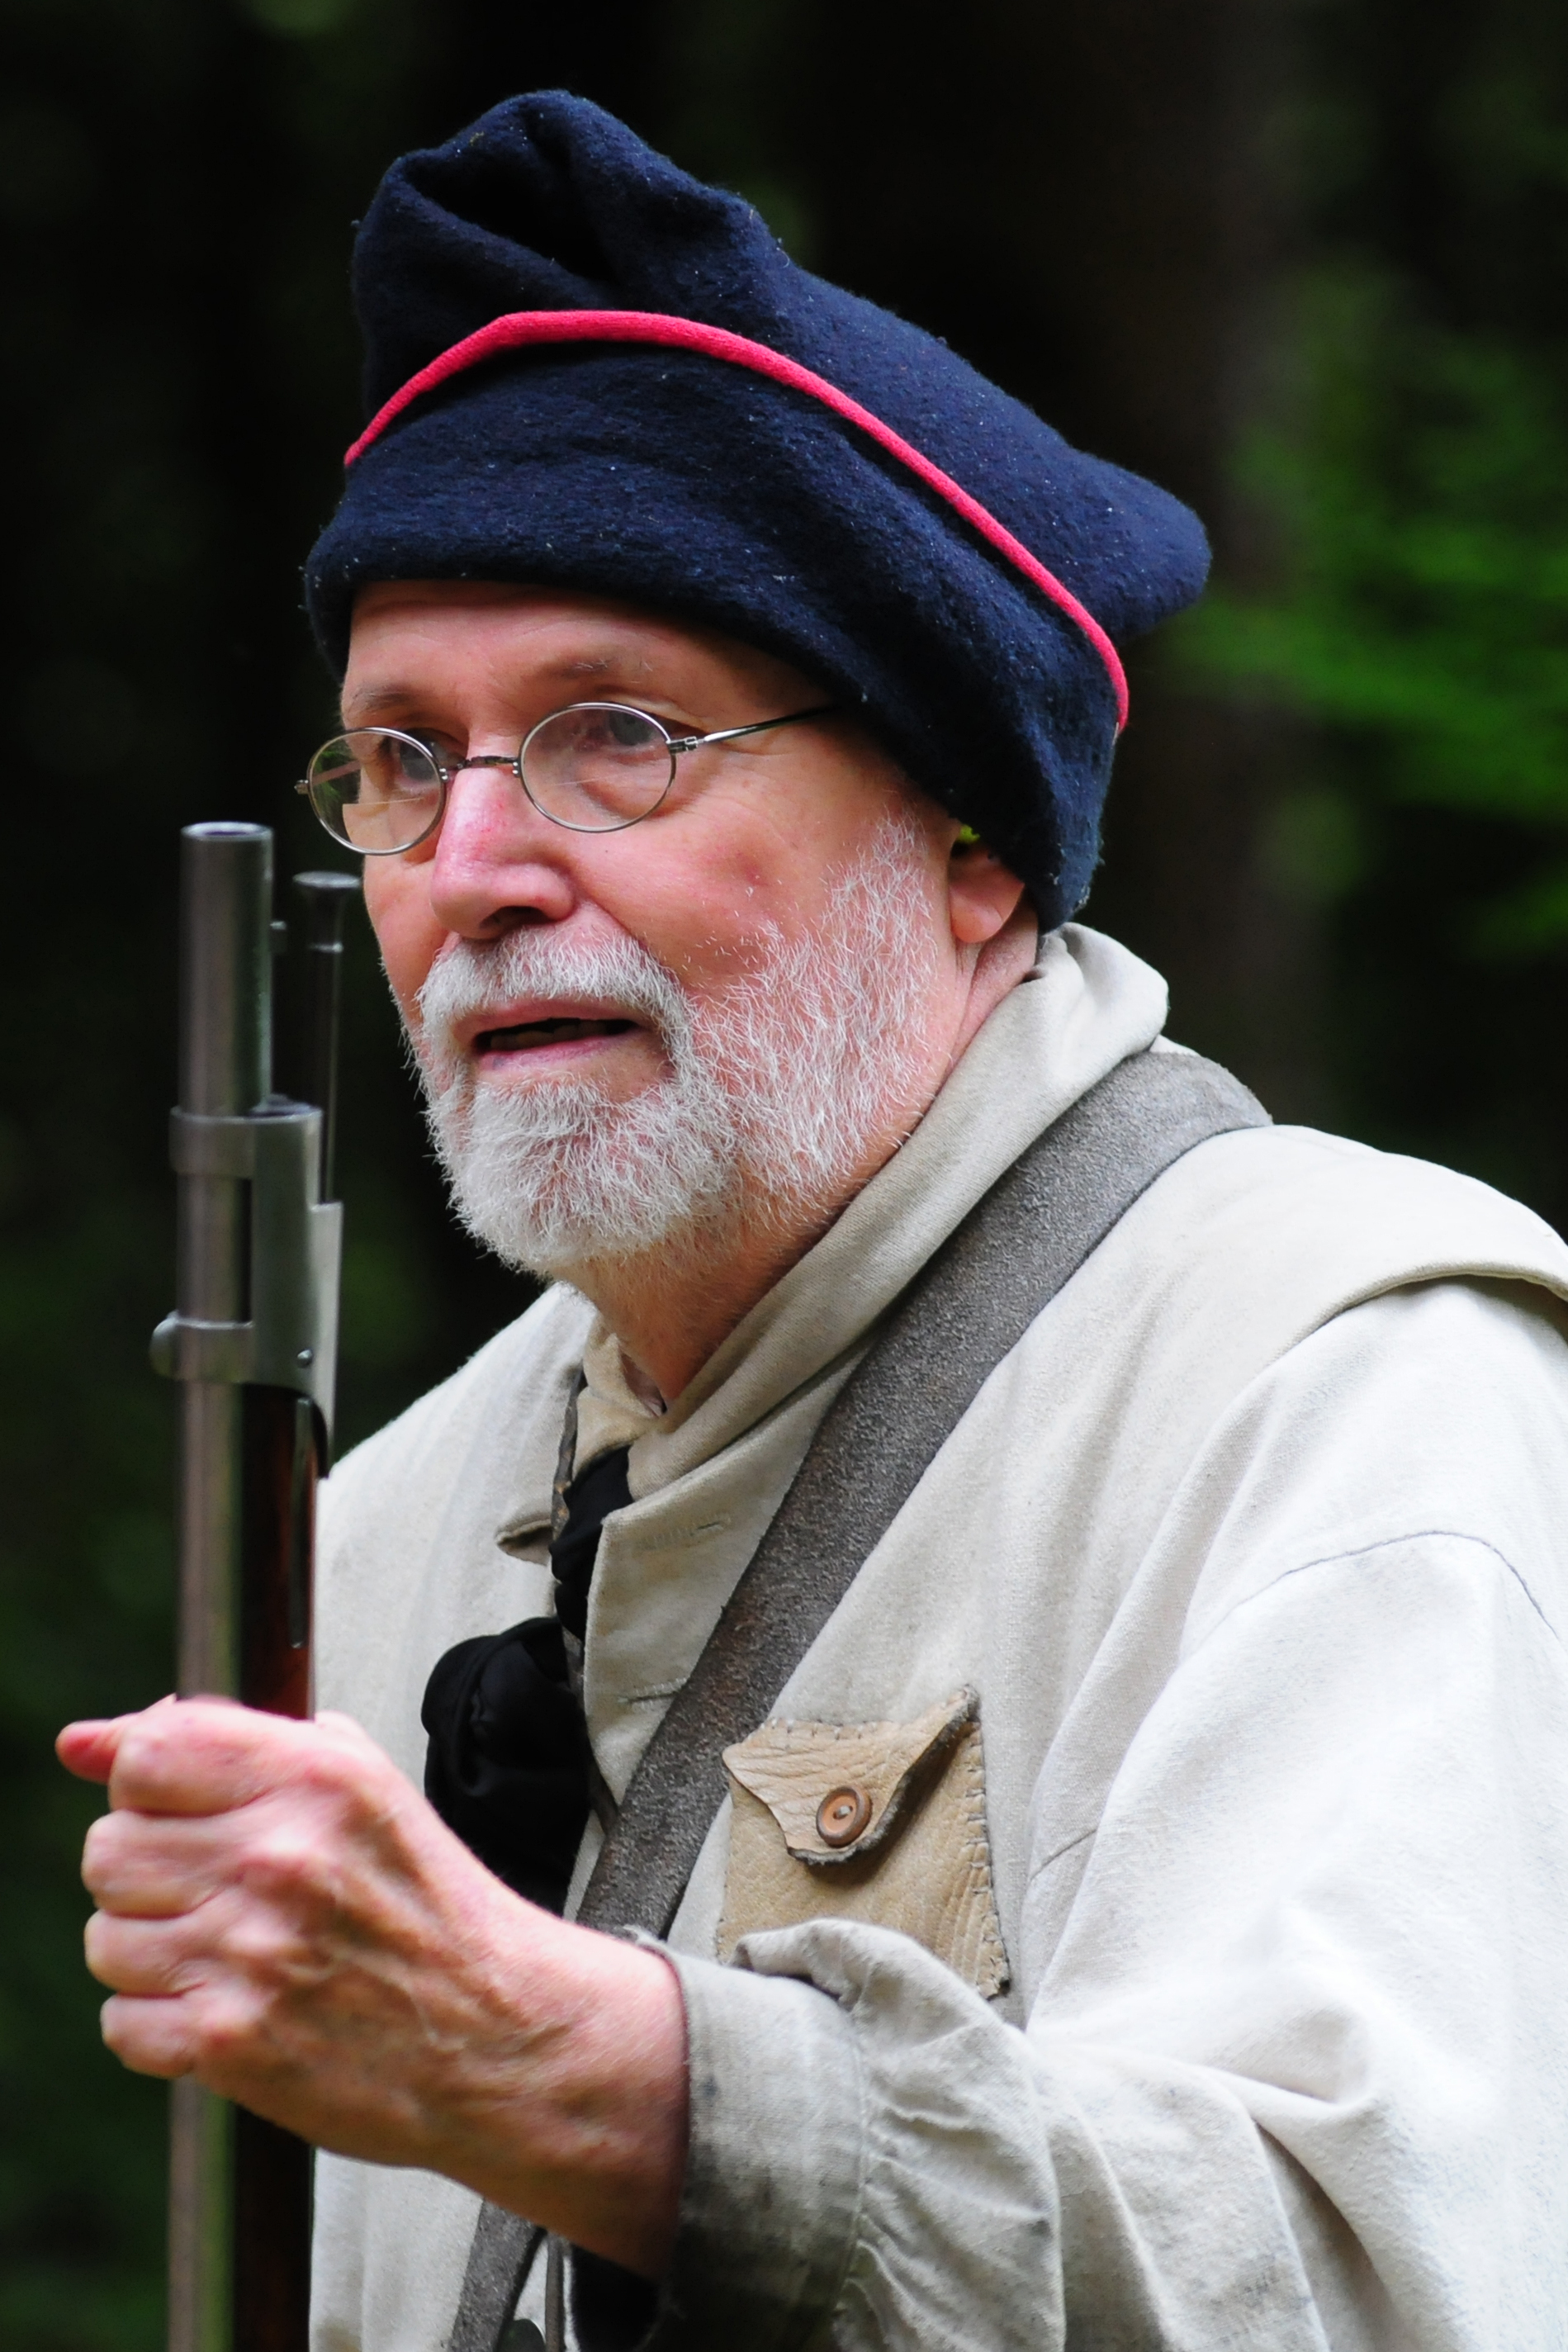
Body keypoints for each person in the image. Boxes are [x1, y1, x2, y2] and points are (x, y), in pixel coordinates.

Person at [59, 92, 1568, 2352]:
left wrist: (571, 2064)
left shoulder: (1342, 1378)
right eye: (397, 759)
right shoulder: (374, 1527)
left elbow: (1362, 2288)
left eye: (618, 735)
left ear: (976, 846)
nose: (469, 864)